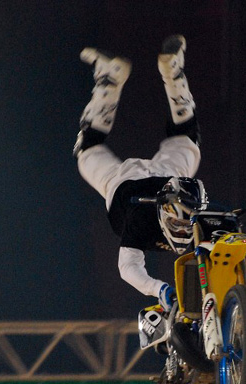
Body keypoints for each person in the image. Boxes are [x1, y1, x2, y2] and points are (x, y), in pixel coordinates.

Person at [74, 35, 205, 313]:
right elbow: (127, 269)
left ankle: (171, 72)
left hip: (162, 179)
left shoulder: (144, 220)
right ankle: (118, 77)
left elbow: (129, 267)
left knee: (187, 137)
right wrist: (159, 289)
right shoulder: (143, 220)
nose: (183, 232)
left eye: (183, 225)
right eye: (180, 225)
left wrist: (160, 289)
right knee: (87, 149)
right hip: (131, 181)